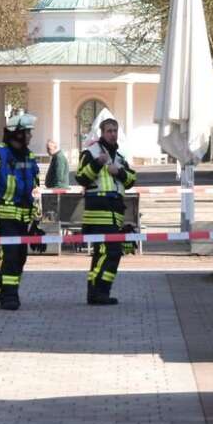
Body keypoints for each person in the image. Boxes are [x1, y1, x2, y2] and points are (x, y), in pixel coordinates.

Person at [0, 112, 39, 311]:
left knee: (21, 256)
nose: (30, 136)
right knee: (10, 255)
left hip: (24, 217)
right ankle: (9, 297)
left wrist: (35, 219)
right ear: (17, 134)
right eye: (27, 132)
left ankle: (3, 286)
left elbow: (32, 186)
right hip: (5, 217)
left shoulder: (29, 156)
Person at [75, 118, 138, 306]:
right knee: (110, 252)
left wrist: (118, 172)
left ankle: (97, 292)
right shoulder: (90, 153)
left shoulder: (119, 157)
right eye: (109, 130)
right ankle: (98, 291)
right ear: (101, 133)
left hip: (115, 214)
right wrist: (96, 164)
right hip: (98, 213)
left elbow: (131, 180)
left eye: (115, 130)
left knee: (105, 254)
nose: (113, 134)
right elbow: (81, 178)